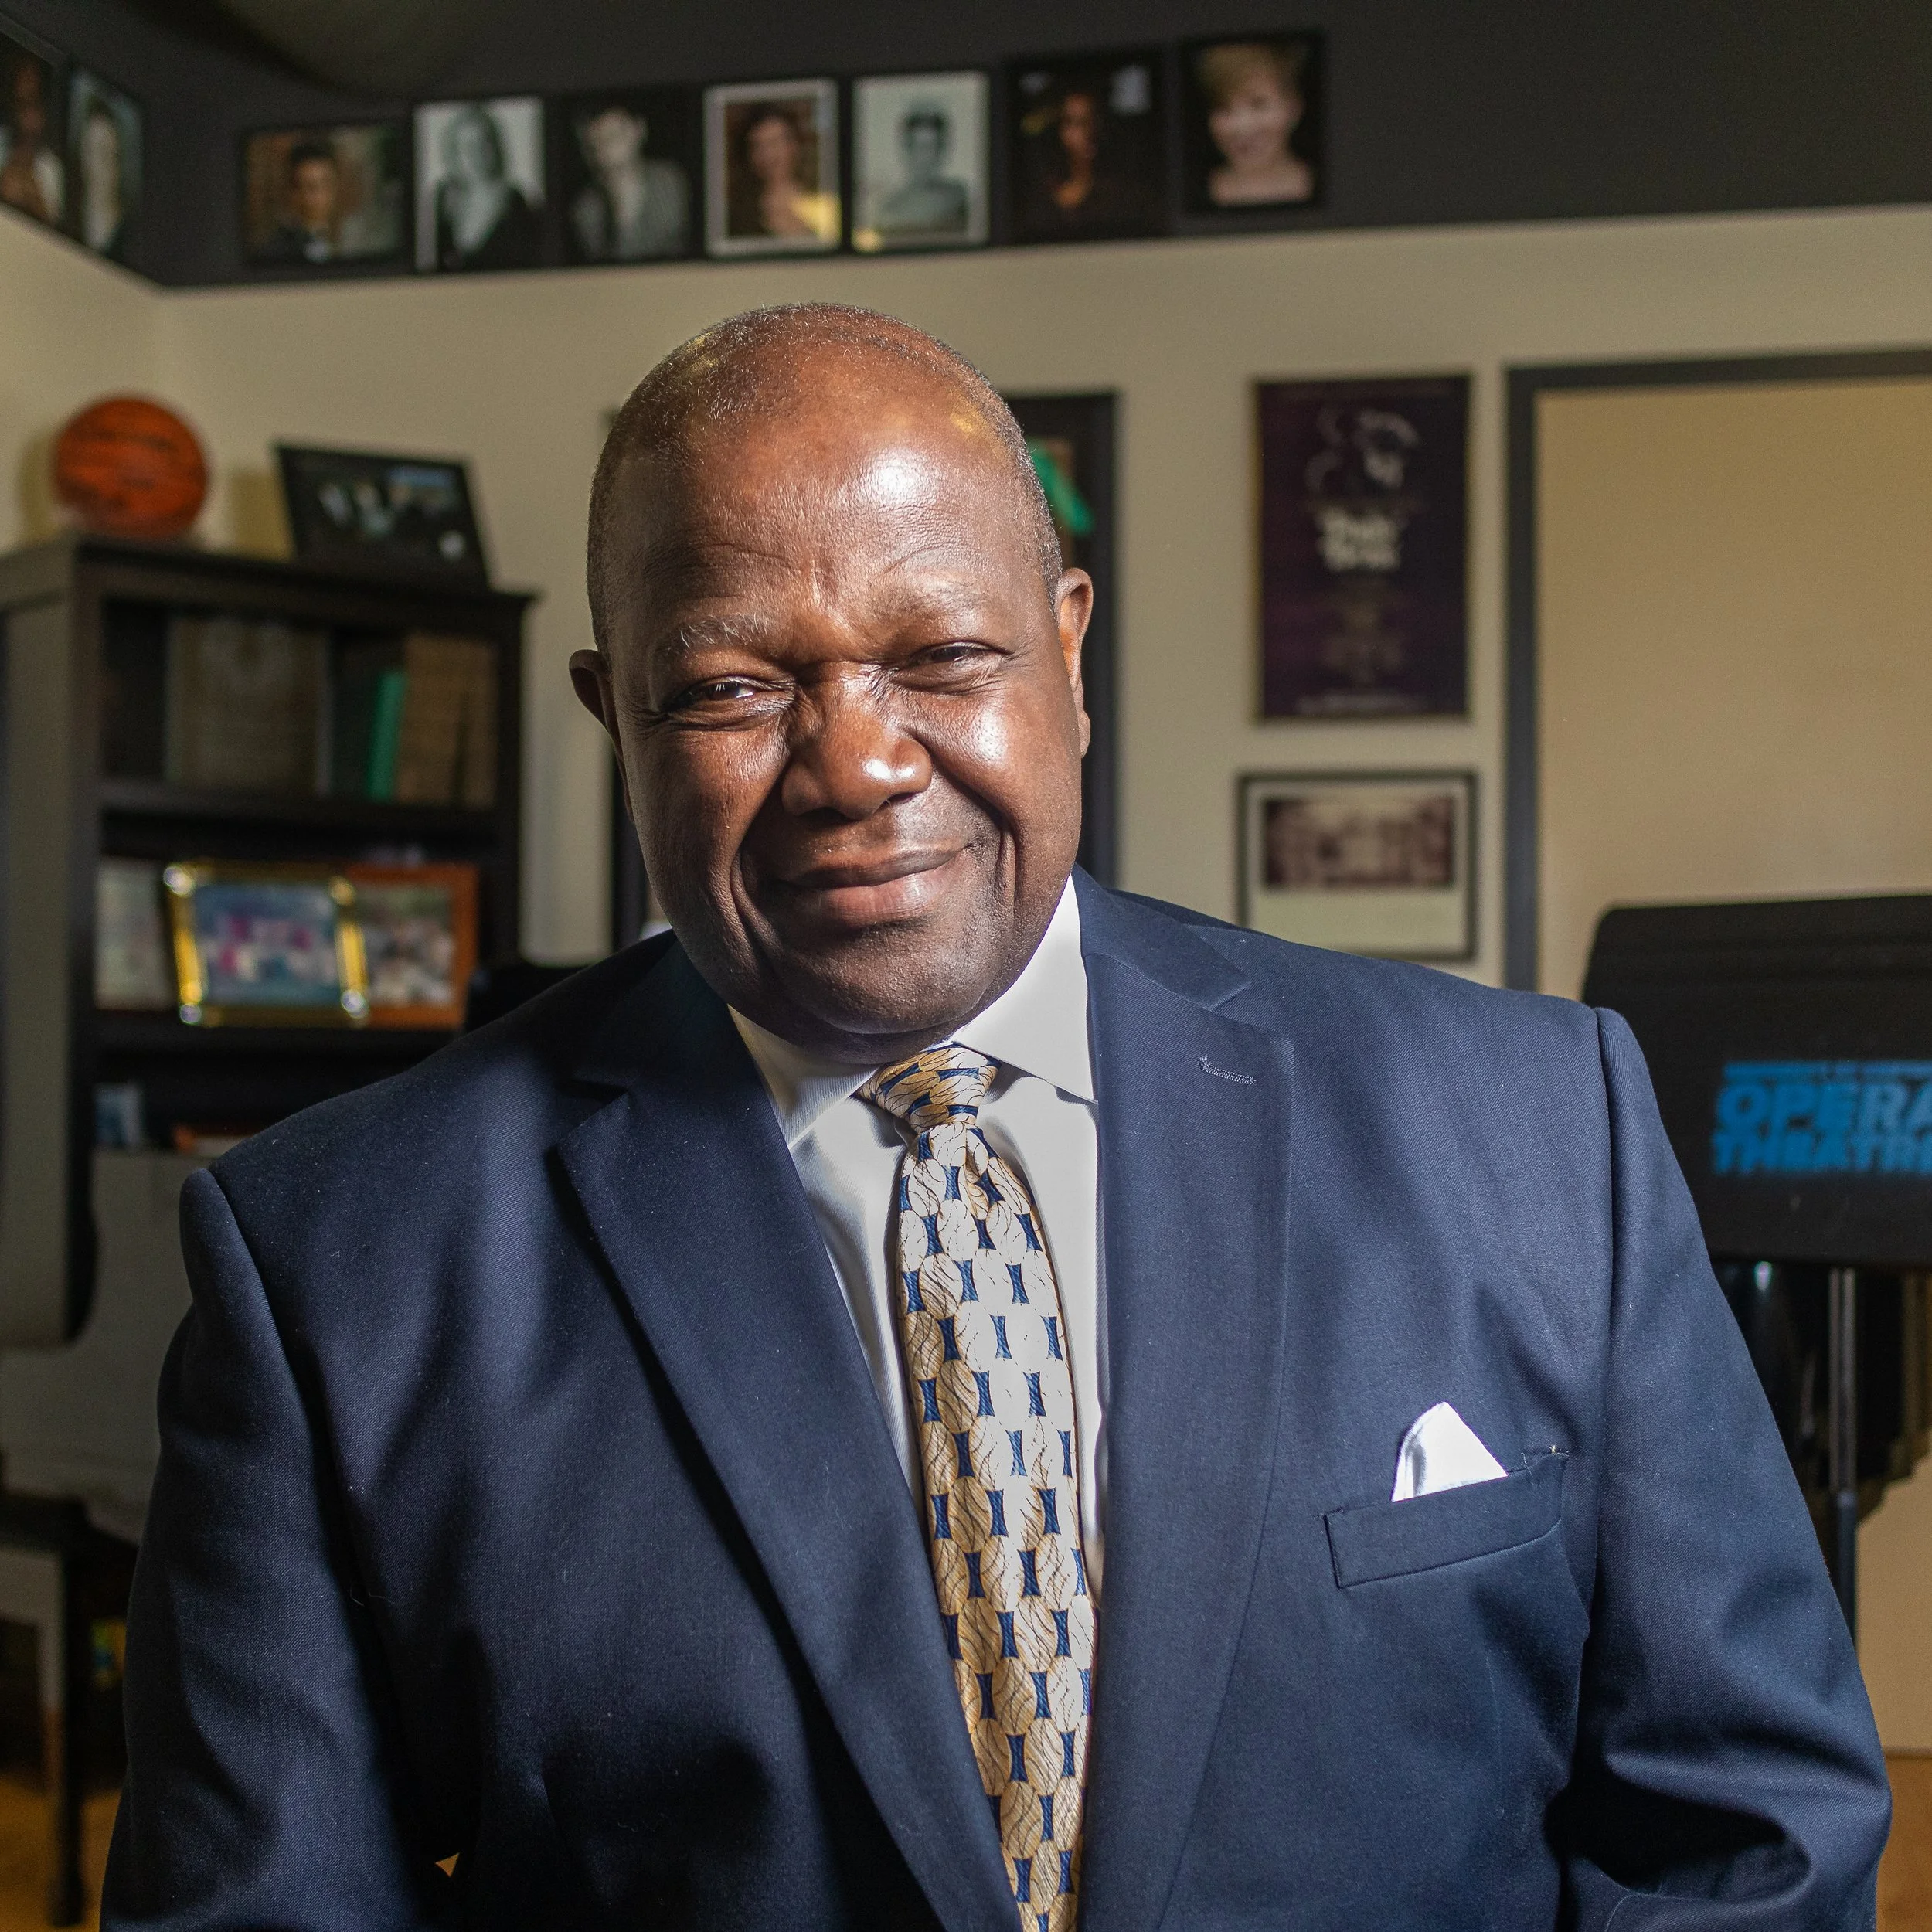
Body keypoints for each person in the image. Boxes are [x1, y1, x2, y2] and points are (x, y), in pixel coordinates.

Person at [105, 303, 1889, 1930]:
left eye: (941, 657)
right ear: (614, 712)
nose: (860, 763)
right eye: (735, 685)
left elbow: (1748, 1821)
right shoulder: (335, 1262)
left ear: (1069, 651)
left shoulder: (1530, 1122)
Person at [1017, 83, 1155, 240]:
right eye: (1076, 123)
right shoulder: (1039, 198)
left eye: (1092, 122)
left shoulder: (1125, 197)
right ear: (1060, 132)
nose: (1089, 133)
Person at [1198, 39, 1315, 207]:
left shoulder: (1330, 182)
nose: (1242, 126)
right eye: (1224, 108)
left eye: (1258, 104)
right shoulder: (1192, 193)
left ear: (1293, 107)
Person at [569, 100, 688, 262]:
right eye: (597, 143)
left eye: (614, 136)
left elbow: (674, 245)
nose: (607, 150)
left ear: (639, 130)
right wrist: (621, 209)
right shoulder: (586, 207)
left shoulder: (669, 180)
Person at [430, 104, 540, 273]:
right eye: (467, 148)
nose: (476, 155)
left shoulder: (516, 201)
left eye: (483, 144)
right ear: (454, 155)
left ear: (496, 148)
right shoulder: (443, 201)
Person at [727, 100, 835, 243]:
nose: (768, 156)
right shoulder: (738, 215)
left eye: (775, 143)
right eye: (758, 147)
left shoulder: (823, 201)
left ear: (794, 146)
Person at [874, 101, 968, 240]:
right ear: (908, 150)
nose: (928, 157)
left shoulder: (959, 197)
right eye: (922, 148)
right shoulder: (891, 208)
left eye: (934, 147)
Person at [0, 52, 63, 227]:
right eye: (20, 102)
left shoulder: (51, 168)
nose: (25, 115)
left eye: (31, 103)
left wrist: (31, 194)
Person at [257, 141, 341, 264]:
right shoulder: (273, 253)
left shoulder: (355, 242)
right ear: (288, 192)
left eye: (315, 187)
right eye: (298, 187)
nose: (307, 199)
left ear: (333, 189)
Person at [73, 91, 124, 257]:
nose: (100, 166)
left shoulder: (128, 235)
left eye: (107, 153)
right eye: (92, 151)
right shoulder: (72, 220)